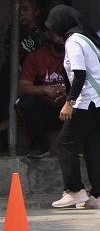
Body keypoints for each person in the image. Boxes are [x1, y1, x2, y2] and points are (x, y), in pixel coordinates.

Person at [46, 6, 100, 209]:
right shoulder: (88, 40)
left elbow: (80, 74)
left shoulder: (73, 41)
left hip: (87, 102)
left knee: (65, 143)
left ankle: (74, 190)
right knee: (92, 147)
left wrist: (69, 102)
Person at [1, 0, 49, 150]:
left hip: (33, 79)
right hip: (20, 76)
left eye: (26, 9)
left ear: (36, 12)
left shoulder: (37, 35)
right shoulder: (22, 33)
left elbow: (13, 55)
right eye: (18, 9)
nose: (21, 13)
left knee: (7, 71)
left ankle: (9, 119)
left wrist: (11, 28)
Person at [16, 28, 67, 158]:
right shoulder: (36, 57)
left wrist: (71, 94)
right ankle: (40, 145)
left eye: (65, 33)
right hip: (45, 112)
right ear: (47, 33)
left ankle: (80, 146)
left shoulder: (77, 54)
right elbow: (21, 88)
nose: (61, 37)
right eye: (57, 32)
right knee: (25, 102)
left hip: (70, 111)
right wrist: (45, 90)